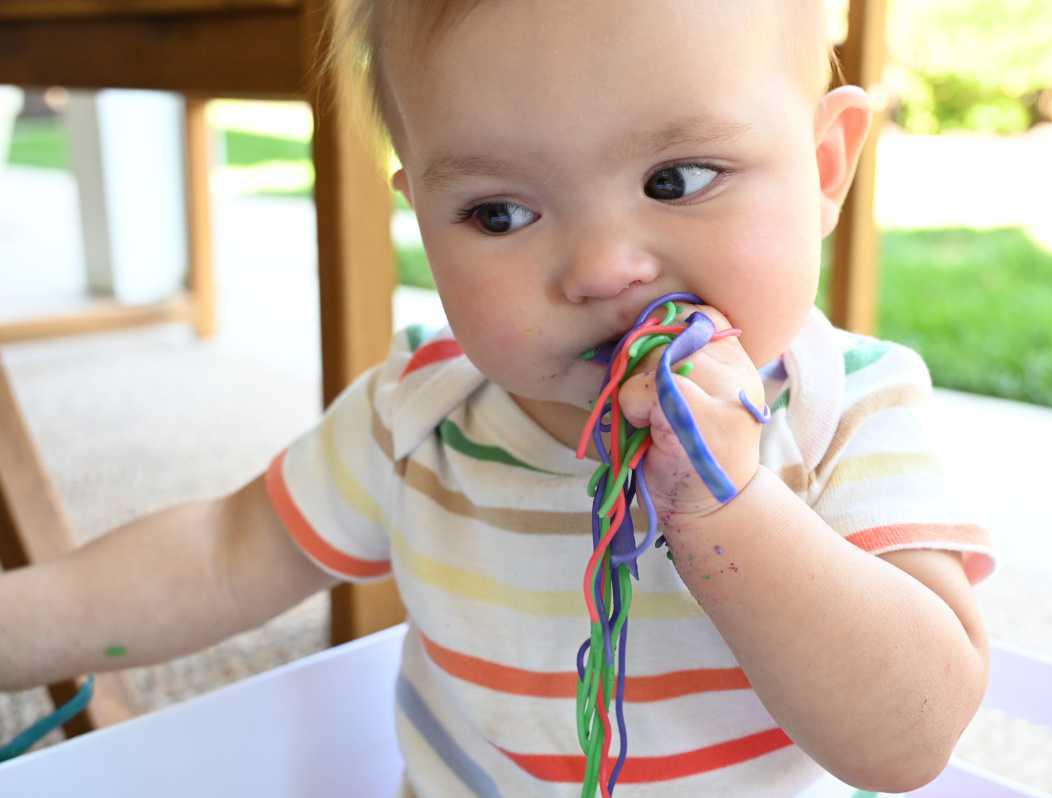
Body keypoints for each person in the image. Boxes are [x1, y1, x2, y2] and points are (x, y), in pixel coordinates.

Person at [0, 1, 996, 795]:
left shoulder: (844, 407)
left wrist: (729, 508)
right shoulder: (423, 412)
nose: (603, 268)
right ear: (423, 218)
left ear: (825, 167)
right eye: (500, 212)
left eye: (679, 177)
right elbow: (223, 555)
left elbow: (907, 739)